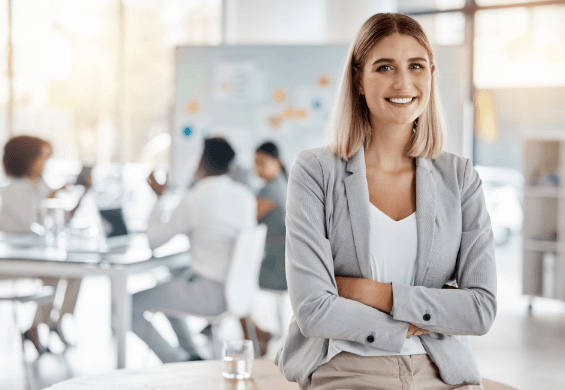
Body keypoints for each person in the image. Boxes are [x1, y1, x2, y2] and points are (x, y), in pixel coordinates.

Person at [275, 13, 496, 390]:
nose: (403, 82)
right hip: (346, 370)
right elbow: (313, 310)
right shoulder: (316, 172)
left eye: (416, 66)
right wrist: (415, 320)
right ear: (359, 80)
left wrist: (370, 292)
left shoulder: (459, 177)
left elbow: (480, 309)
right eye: (384, 67)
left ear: (431, 74)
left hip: (441, 372)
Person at [132, 137, 256, 362]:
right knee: (170, 282)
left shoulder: (195, 200)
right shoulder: (244, 196)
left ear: (200, 163)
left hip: (209, 295)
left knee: (128, 306)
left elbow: (154, 240)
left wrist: (159, 198)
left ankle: (177, 362)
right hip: (237, 292)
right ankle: (192, 356)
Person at [0, 136, 88, 352]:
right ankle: (38, 326)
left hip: (35, 256)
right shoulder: (15, 189)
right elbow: (34, 223)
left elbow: (62, 217)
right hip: (13, 259)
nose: (45, 163)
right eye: (42, 158)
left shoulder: (39, 185)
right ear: (27, 159)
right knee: (54, 273)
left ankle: (54, 322)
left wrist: (83, 192)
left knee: (76, 270)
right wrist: (49, 197)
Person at [241, 141, 288, 355]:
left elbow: (246, 219)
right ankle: (257, 332)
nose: (256, 169)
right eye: (255, 163)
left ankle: (254, 335)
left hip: (279, 270)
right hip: (280, 262)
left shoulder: (273, 190)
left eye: (261, 163)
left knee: (233, 282)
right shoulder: (280, 184)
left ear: (276, 162)